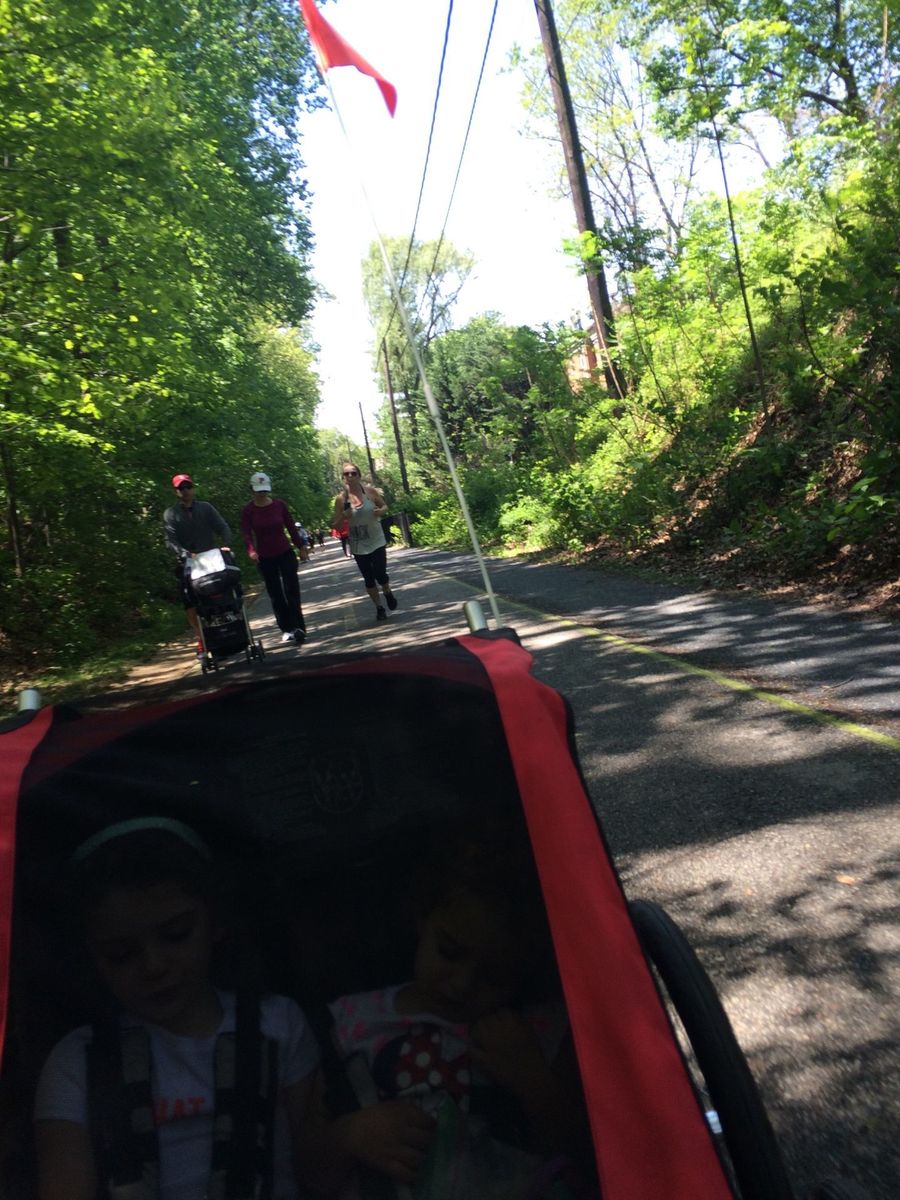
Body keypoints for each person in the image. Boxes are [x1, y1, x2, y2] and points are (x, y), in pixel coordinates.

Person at [32, 818, 323, 1200]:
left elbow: (320, 1170)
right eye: (121, 954)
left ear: (216, 921)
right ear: (91, 958)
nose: (153, 966)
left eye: (176, 935)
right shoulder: (76, 1062)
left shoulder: (279, 1023)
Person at [319, 828, 591, 1198]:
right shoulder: (351, 1023)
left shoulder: (538, 1034)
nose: (462, 984)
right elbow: (304, 1166)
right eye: (449, 952)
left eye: (494, 976)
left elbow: (589, 1157)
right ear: (421, 917)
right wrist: (350, 1135)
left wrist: (533, 1081)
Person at [163, 474, 232, 660]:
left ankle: (230, 625)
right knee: (189, 600)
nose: (185, 491)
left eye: (188, 487)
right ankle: (201, 638)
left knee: (228, 587)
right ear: (176, 492)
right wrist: (185, 554)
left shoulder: (206, 507)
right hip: (188, 563)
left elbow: (222, 526)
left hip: (211, 560)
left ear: (193, 488)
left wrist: (226, 545)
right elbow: (170, 541)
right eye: (181, 488)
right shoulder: (171, 514)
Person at [241, 472, 307, 645]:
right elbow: (246, 534)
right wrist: (251, 550)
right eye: (259, 490)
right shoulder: (248, 511)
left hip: (285, 552)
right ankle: (286, 628)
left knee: (291, 590)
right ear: (252, 489)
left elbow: (291, 527)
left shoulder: (279, 505)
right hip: (265, 557)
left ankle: (299, 627)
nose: (262, 493)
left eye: (264, 490)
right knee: (276, 594)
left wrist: (301, 547)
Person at [331, 463, 397, 622]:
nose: (350, 476)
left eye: (353, 473)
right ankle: (379, 607)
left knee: (380, 574)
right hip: (358, 544)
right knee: (369, 578)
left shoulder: (370, 492)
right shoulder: (341, 500)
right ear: (343, 478)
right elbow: (335, 526)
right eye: (346, 474)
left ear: (359, 476)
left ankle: (387, 591)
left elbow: (384, 506)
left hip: (376, 540)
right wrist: (344, 516)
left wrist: (381, 511)